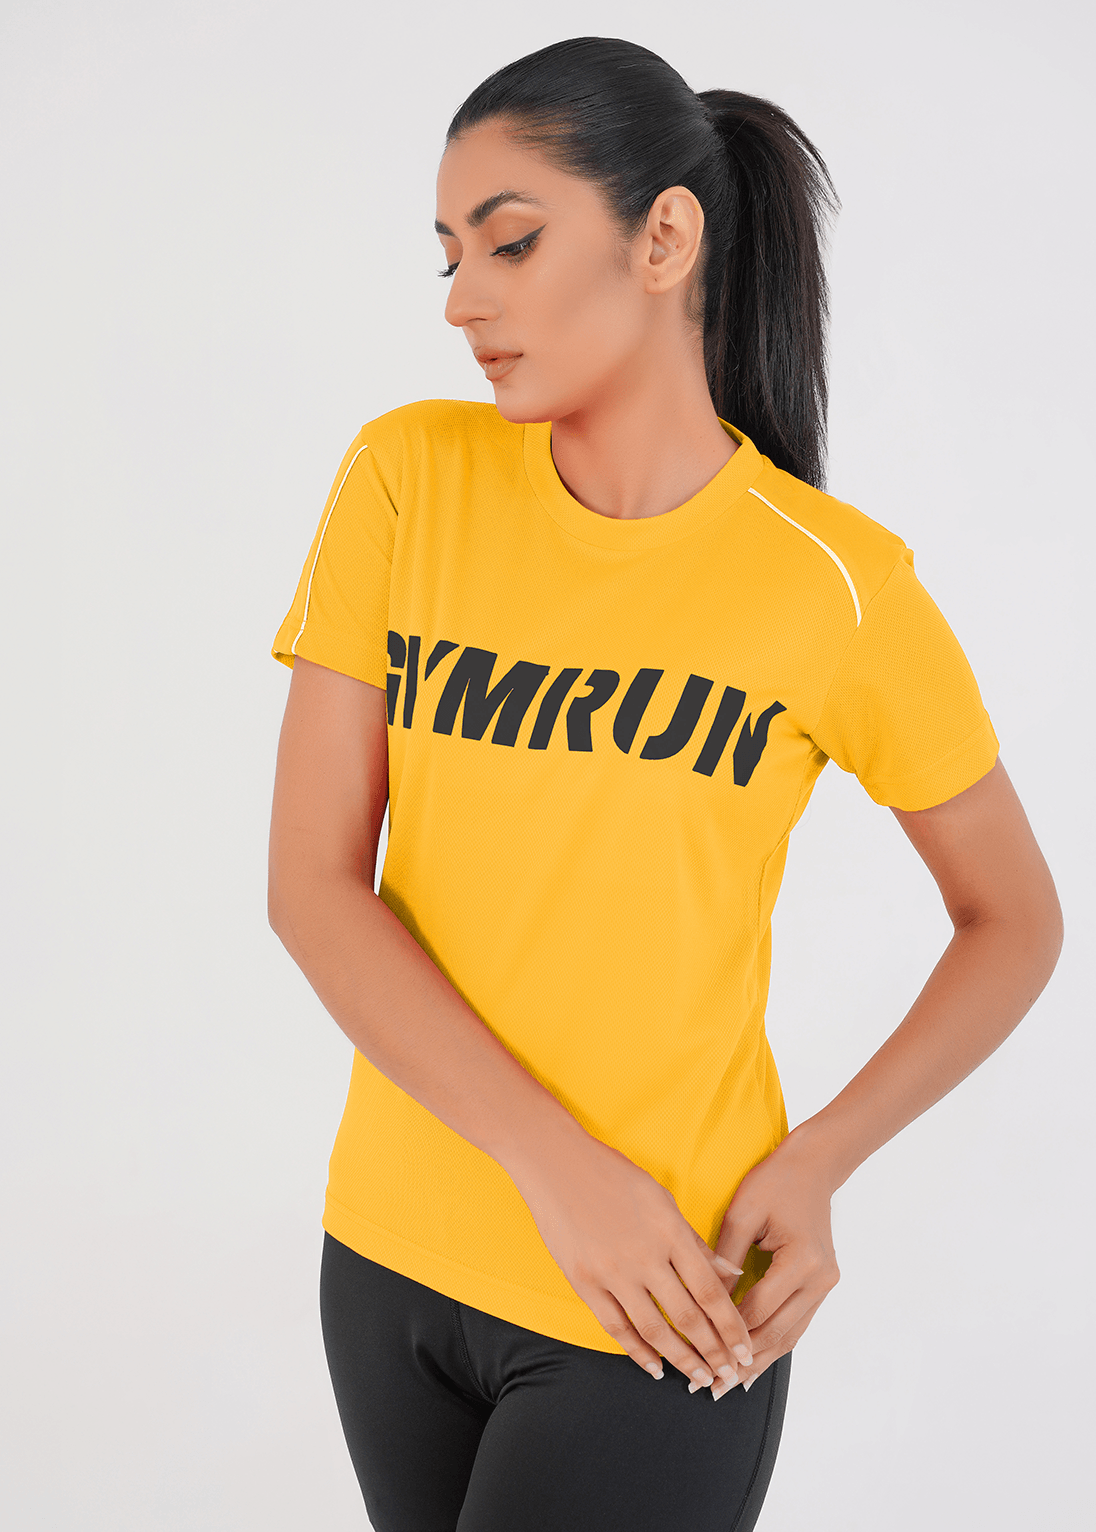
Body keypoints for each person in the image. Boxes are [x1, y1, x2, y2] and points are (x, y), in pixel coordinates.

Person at [266, 35, 1063, 1532]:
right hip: (389, 1261)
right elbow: (312, 888)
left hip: (664, 1304)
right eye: (447, 254)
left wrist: (820, 1159)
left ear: (665, 237)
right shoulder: (405, 481)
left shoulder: (837, 587)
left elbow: (1013, 918)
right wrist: (555, 1169)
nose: (462, 300)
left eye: (509, 242)